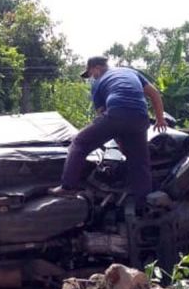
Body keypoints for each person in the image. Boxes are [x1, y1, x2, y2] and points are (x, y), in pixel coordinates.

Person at [51, 56, 166, 201]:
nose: (92, 77)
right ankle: (143, 203)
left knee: (80, 142)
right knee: (139, 162)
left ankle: (67, 187)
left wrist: (117, 138)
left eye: (91, 73)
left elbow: (104, 116)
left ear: (97, 69)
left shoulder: (98, 83)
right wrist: (160, 119)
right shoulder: (130, 72)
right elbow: (154, 93)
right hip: (140, 117)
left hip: (116, 112)